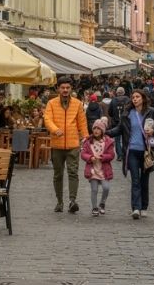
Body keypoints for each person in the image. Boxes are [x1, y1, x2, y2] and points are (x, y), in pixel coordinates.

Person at [115, 89, 154, 219]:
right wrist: (103, 132)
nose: (135, 99)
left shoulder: (151, 112)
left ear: (143, 98)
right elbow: (119, 129)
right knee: (135, 180)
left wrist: (153, 131)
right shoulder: (127, 113)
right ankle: (136, 208)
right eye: (133, 97)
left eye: (137, 97)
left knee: (144, 180)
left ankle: (144, 207)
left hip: (146, 151)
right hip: (132, 151)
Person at [43, 78, 88, 214]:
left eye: (67, 88)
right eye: (62, 88)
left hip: (73, 144)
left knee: (73, 172)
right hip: (57, 144)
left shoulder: (78, 104)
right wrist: (54, 129)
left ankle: (72, 201)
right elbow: (47, 119)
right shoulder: (51, 103)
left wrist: (85, 136)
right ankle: (59, 202)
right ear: (58, 89)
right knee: (58, 174)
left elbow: (82, 122)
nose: (65, 90)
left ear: (71, 89)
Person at [81, 117, 115, 217]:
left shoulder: (108, 142)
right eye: (95, 128)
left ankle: (102, 203)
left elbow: (111, 155)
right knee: (94, 189)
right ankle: (94, 207)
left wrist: (103, 157)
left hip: (104, 170)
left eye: (99, 129)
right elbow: (83, 154)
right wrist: (90, 157)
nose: (96, 130)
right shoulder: (88, 142)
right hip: (93, 170)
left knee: (106, 188)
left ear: (102, 131)